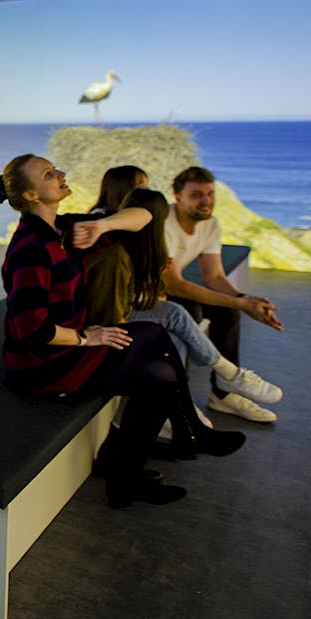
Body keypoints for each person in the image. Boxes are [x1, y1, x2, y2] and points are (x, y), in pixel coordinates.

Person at [0, 154, 191, 509]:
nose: (61, 173)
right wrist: (86, 337)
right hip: (43, 366)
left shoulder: (62, 228)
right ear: (32, 196)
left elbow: (145, 217)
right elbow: (30, 328)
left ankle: (128, 472)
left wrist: (102, 227)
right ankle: (176, 444)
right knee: (155, 345)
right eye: (49, 174)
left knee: (161, 374)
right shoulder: (31, 247)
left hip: (65, 354)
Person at [83, 184, 248, 459]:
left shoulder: (135, 250)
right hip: (100, 332)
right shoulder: (115, 254)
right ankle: (214, 391)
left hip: (115, 320)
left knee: (172, 341)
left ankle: (179, 426)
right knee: (171, 320)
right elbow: (109, 316)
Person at [163, 167, 285, 423]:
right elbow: (174, 285)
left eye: (210, 194)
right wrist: (241, 302)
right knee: (191, 313)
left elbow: (214, 276)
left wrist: (246, 301)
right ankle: (177, 403)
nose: (206, 201)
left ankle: (223, 395)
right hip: (153, 294)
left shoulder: (210, 224)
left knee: (228, 310)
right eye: (196, 195)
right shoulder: (166, 223)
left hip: (171, 291)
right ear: (178, 197)